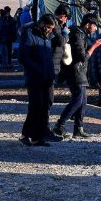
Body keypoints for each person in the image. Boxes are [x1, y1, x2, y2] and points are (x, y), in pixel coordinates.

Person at [52, 14, 101, 139]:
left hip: (80, 71)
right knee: (78, 99)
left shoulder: (81, 34)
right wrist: (94, 46)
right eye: (94, 26)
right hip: (75, 71)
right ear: (87, 24)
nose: (95, 29)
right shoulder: (78, 35)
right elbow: (82, 57)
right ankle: (60, 125)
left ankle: (78, 128)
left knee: (83, 101)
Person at [18, 14, 57, 146]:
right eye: (49, 28)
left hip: (47, 77)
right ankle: (26, 134)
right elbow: (24, 58)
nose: (50, 30)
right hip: (34, 78)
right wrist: (38, 70)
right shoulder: (29, 35)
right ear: (42, 24)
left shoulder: (48, 37)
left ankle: (38, 137)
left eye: (52, 28)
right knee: (35, 106)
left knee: (44, 107)